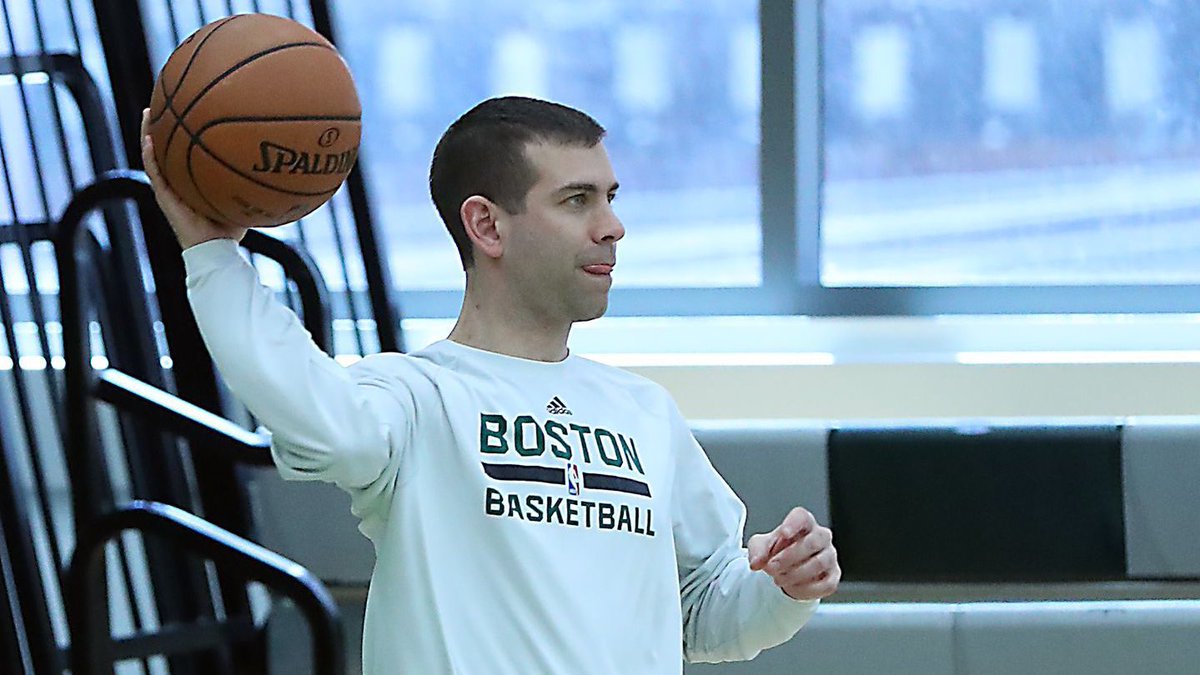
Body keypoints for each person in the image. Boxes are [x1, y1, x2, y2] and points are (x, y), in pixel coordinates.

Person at [139, 96, 840, 674]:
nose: (613, 226)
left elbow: (704, 612)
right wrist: (212, 257)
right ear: (486, 225)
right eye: (576, 200)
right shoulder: (415, 399)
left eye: (611, 198)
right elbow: (317, 417)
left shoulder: (644, 414)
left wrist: (780, 590)